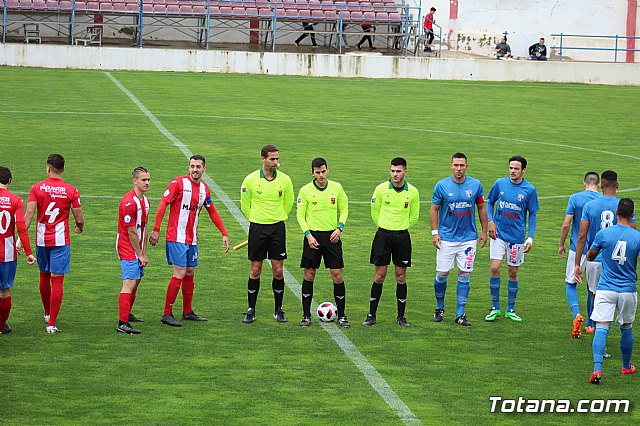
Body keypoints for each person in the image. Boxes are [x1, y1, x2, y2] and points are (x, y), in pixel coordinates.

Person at [150, 155, 230, 327]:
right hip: (176, 237)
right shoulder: (178, 183)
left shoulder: (204, 189)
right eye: (192, 166)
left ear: (204, 169)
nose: (195, 169)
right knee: (179, 273)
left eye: (198, 167)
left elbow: (212, 211)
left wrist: (224, 233)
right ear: (189, 167)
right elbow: (163, 204)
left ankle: (187, 311)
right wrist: (156, 229)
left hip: (192, 239)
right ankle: (166, 313)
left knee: (189, 273)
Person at [23, 154, 84, 334]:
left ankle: (47, 313)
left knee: (44, 276)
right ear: (63, 169)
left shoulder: (36, 188)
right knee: (57, 280)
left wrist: (20, 239)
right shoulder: (71, 190)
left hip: (42, 240)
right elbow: (79, 217)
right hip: (60, 241)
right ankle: (52, 324)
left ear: (48, 168)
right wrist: (80, 227)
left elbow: (28, 215)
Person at [580, 198, 639, 384]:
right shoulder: (637, 237)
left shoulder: (604, 234)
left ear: (616, 213)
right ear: (632, 215)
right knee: (626, 327)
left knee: (602, 327)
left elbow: (590, 255)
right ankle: (626, 366)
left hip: (606, 288)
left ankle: (597, 369)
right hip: (627, 289)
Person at [430, 153, 488, 326]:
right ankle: (439, 308)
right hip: (446, 238)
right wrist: (435, 232)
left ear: (467, 167)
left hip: (468, 239)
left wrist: (484, 231)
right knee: (442, 275)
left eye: (462, 165)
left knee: (464, 275)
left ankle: (460, 314)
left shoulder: (476, 185)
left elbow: (482, 207)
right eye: (456, 165)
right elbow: (434, 209)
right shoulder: (441, 186)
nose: (459, 169)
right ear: (451, 166)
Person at [574, 171, 636, 329]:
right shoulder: (623, 207)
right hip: (616, 260)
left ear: (601, 184)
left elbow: (582, 236)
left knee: (594, 292)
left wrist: (577, 263)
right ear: (618, 185)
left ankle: (592, 324)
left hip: (595, 258)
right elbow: (633, 236)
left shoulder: (590, 206)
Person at [363, 157, 420, 327]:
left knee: (401, 277)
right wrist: (385, 226)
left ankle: (401, 316)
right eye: (393, 171)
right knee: (380, 276)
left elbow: (414, 217)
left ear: (405, 172)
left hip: (402, 237)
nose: (395, 174)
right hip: (383, 236)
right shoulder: (381, 189)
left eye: (398, 171)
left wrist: (400, 228)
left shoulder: (413, 192)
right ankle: (371, 314)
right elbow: (375, 212)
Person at [241, 144, 294, 323]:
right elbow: (245, 205)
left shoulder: (285, 180)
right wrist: (257, 220)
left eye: (277, 159)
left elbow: (288, 203)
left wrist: (278, 217)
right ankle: (251, 309)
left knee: (278, 270)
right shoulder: (250, 180)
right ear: (263, 159)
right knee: (255, 270)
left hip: (277, 228)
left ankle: (278, 309)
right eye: (272, 159)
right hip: (257, 228)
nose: (276, 162)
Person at [296, 158, 349, 327]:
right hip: (313, 237)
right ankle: (306, 315)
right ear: (312, 173)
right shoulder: (305, 191)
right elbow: (300, 215)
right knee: (309, 274)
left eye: (323, 171)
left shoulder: (337, 187)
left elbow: (345, 208)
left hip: (332, 237)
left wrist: (339, 228)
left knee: (337, 275)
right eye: (317, 172)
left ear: (328, 170)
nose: (321, 175)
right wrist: (308, 235)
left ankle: (341, 316)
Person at [485, 155, 539, 322]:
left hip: (516, 237)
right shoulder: (500, 184)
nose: (512, 171)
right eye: (510, 168)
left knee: (513, 272)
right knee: (494, 268)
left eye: (516, 168)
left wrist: (530, 238)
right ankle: (495, 308)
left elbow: (533, 214)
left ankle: (510, 309)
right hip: (498, 234)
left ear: (523, 170)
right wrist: (490, 221)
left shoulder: (529, 190)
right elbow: (489, 203)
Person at [558, 172, 601, 338]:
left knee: (570, 283)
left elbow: (566, 224)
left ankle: (576, 314)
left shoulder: (575, 198)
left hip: (577, 249)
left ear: (584, 183)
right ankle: (591, 324)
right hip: (597, 252)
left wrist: (562, 244)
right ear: (598, 184)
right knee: (593, 289)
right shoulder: (602, 201)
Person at [0, 166, 37, 335]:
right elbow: (22, 228)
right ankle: (1, 325)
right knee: (5, 290)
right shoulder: (15, 201)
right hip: (6, 253)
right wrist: (28, 252)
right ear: (9, 182)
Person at [115, 167, 151, 335]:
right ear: (134, 181)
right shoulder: (129, 202)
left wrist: (144, 251)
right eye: (143, 180)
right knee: (129, 282)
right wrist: (140, 254)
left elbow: (144, 227)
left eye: (148, 180)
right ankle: (122, 323)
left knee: (136, 281)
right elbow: (131, 231)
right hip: (127, 246)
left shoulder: (145, 201)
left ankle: (127, 312)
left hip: (137, 247)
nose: (147, 183)